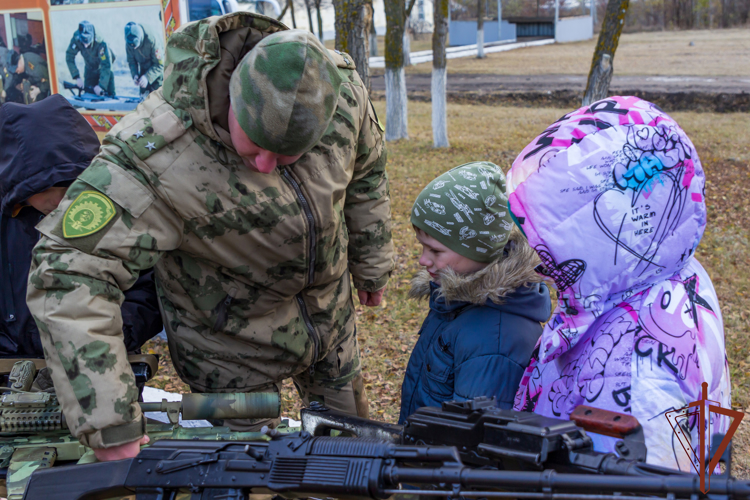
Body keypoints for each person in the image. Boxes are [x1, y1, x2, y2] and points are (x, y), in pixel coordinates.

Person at [28, 15, 392, 461]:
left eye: (286, 154)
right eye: (255, 144)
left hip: (329, 324)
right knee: (246, 475)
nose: (264, 166)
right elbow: (67, 272)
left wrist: (372, 262)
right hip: (228, 353)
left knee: (355, 461)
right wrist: (111, 423)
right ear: (230, 96)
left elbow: (367, 173)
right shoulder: (156, 155)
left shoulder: (340, 91)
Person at [509, 96, 731, 471]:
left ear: (605, 230)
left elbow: (632, 482)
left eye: (544, 235)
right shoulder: (660, 268)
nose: (534, 253)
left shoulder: (636, 373)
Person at [0, 94, 163, 358]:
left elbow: (148, 286)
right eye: (44, 190)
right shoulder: (7, 221)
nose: (59, 200)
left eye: (69, 186)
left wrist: (113, 335)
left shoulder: (108, 207)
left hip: (102, 362)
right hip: (11, 371)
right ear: (17, 184)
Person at [398, 162, 550, 424]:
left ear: (476, 248)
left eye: (435, 251)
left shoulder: (497, 339)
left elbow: (472, 437)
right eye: (422, 247)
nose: (423, 260)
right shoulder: (454, 301)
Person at [65, 20, 115, 97]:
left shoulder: (100, 42)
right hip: (90, 68)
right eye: (83, 43)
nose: (85, 46)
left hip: (104, 69)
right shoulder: (76, 38)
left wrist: (101, 86)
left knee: (111, 97)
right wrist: (77, 77)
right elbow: (69, 57)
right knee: (88, 97)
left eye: (87, 43)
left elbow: (106, 65)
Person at [124, 22, 163, 97]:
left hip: (156, 69)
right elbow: (131, 61)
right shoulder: (129, 42)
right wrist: (135, 75)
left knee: (158, 96)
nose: (134, 48)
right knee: (143, 97)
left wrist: (147, 77)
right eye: (132, 47)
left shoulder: (152, 40)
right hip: (143, 67)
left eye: (136, 46)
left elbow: (160, 64)